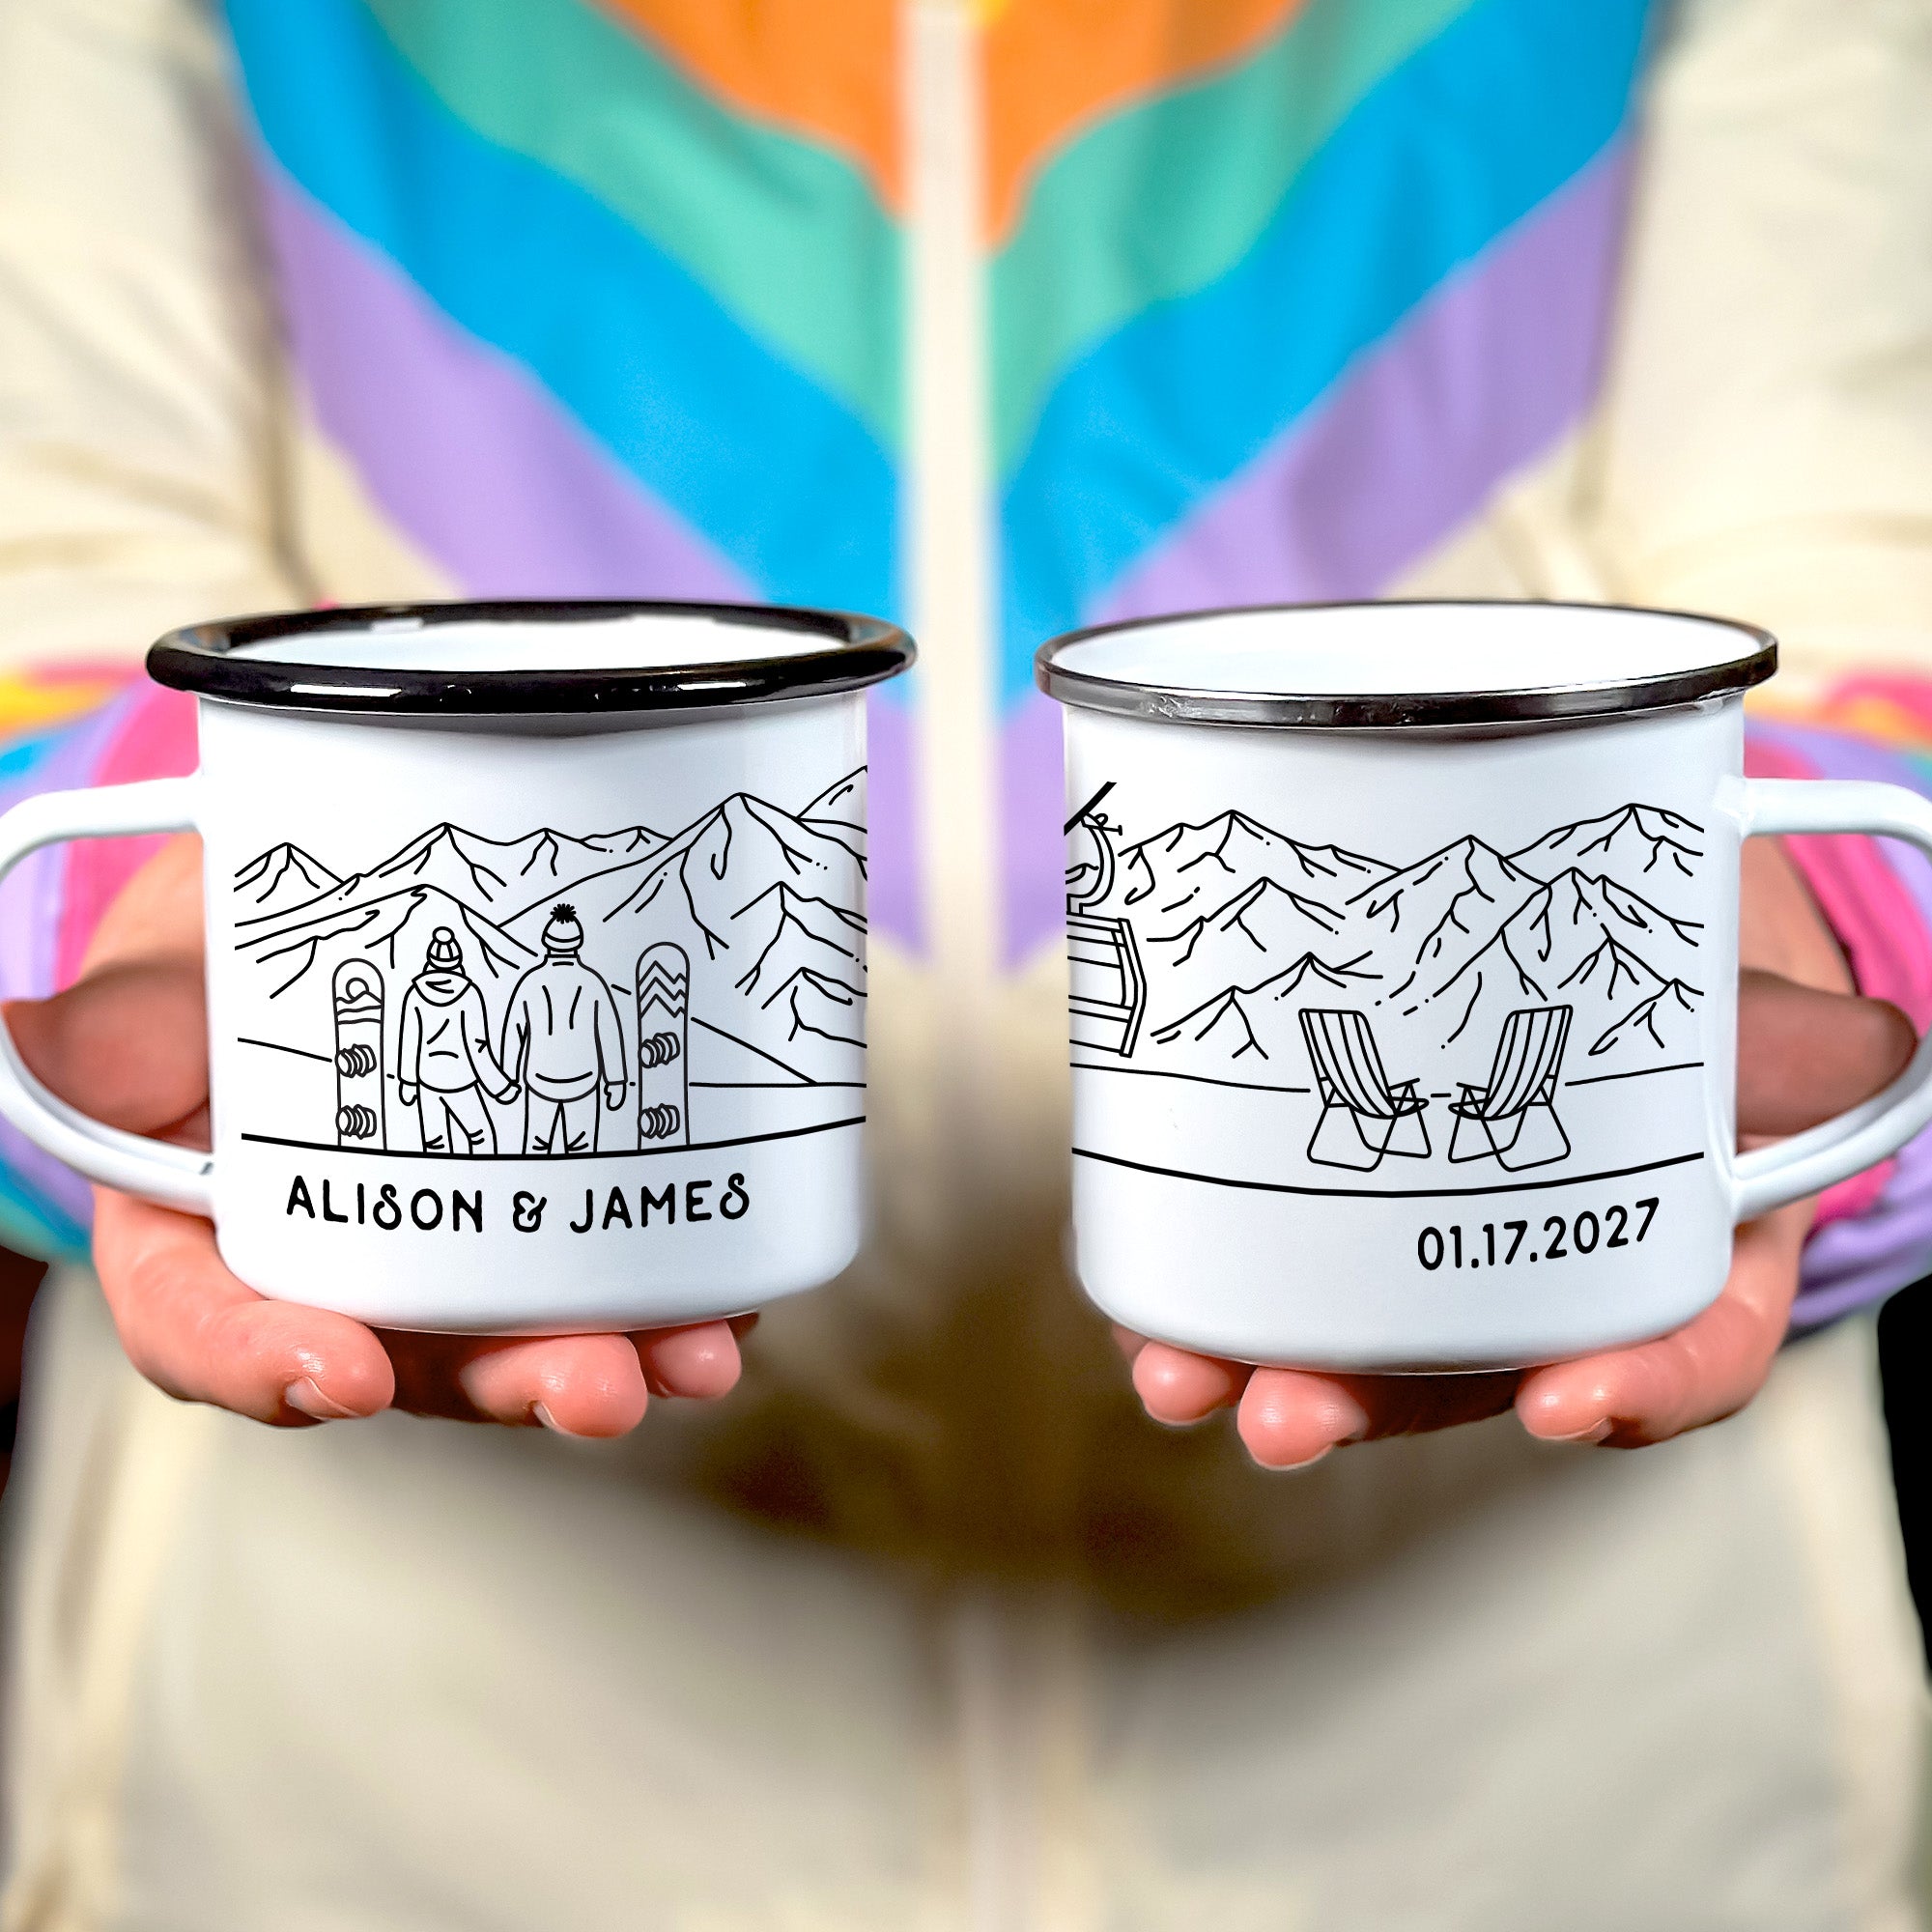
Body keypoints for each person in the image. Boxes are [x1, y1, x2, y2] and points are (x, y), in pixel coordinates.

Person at [0, 0, 1929, 1923]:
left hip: (1572, 1796)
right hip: (375, 1804)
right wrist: (141, 930)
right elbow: (48, 579)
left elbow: (1865, 579)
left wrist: (1824, 936)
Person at [497, 903, 626, 1155]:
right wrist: (616, 1081)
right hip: (584, 1081)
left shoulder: (530, 982)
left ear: (547, 942)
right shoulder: (592, 983)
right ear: (578, 943)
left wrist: (508, 1078)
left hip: (540, 1080)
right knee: (583, 1150)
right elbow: (608, 1033)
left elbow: (514, 1030)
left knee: (536, 1147)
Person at [395, 927, 516, 1155]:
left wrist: (408, 1082)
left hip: (427, 1080)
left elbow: (409, 1041)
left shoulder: (414, 994)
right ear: (458, 962)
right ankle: (484, 1182)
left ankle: (437, 1184)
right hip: (460, 1081)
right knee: (480, 1136)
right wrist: (499, 1087)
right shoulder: (469, 994)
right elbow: (478, 1047)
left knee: (434, 1143)